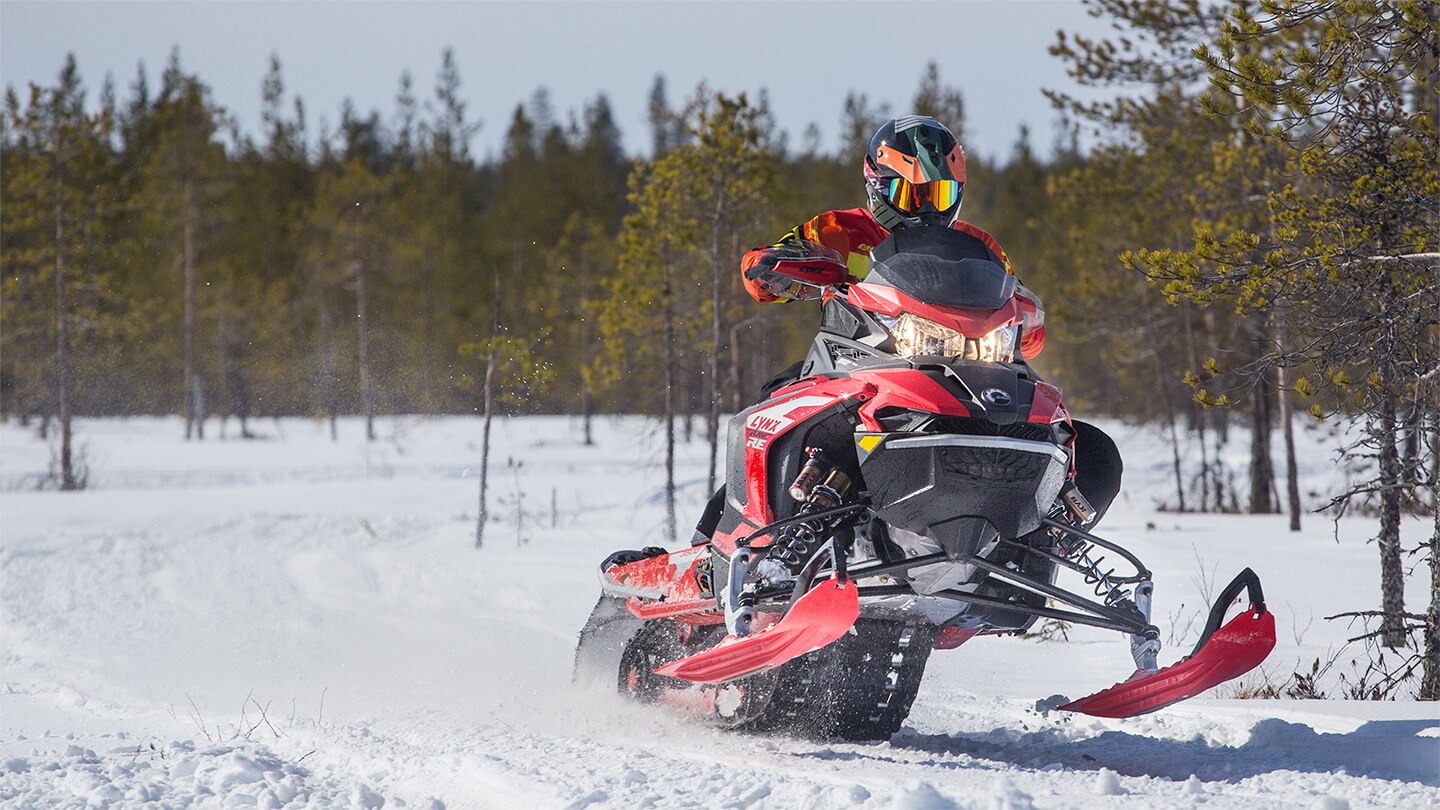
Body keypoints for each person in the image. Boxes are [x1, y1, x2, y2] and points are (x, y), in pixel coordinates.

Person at [691, 115, 1121, 545]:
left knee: (1084, 446)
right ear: (877, 185)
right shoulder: (839, 229)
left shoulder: (979, 247)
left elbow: (1015, 301)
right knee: (780, 408)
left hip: (970, 370)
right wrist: (776, 268)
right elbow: (767, 269)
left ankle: (1046, 538)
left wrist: (1027, 314)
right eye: (909, 193)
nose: (925, 207)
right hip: (865, 356)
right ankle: (724, 540)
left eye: (939, 194)